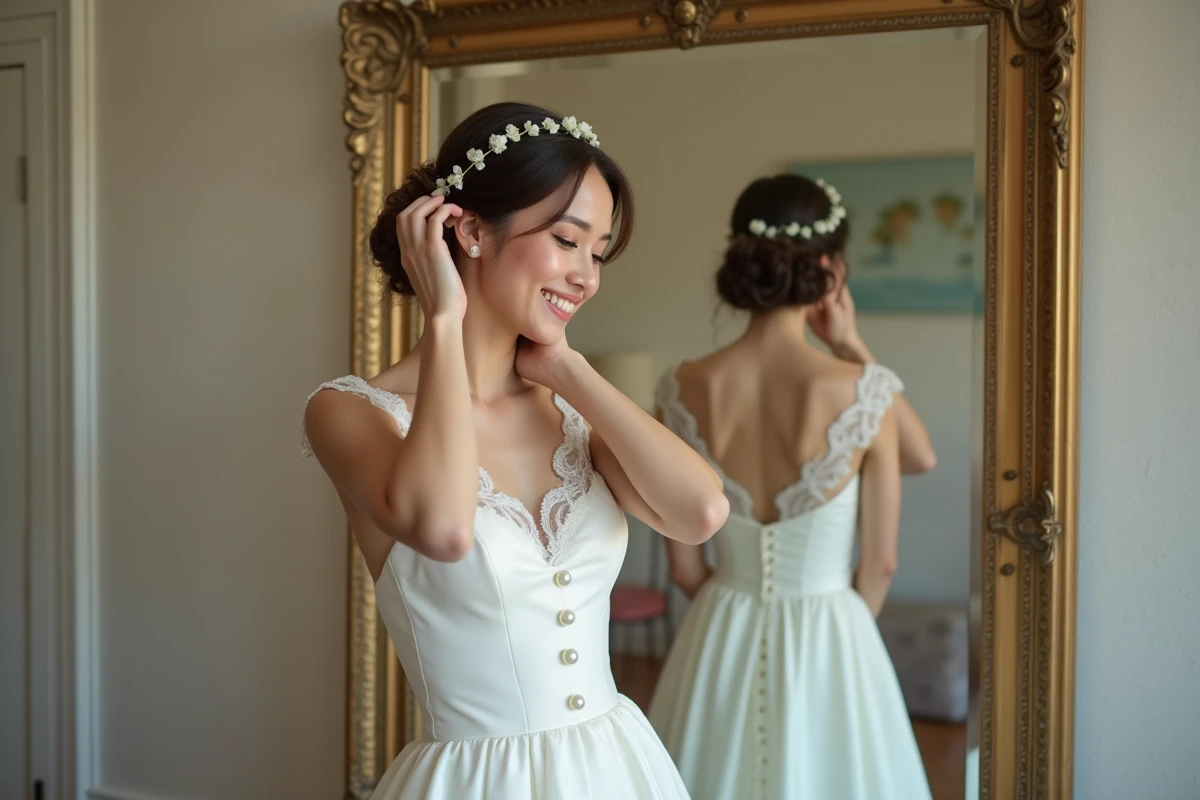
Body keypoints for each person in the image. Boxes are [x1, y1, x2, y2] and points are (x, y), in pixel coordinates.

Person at [302, 102, 728, 799]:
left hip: (616, 769)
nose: (586, 275)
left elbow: (700, 513)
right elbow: (442, 529)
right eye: (567, 240)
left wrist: (569, 371)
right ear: (467, 230)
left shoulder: (572, 414)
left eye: (598, 251)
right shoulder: (348, 412)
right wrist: (444, 318)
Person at [647, 173, 935, 800]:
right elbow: (882, 558)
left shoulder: (679, 386)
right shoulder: (866, 391)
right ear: (830, 270)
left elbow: (684, 569)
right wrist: (852, 345)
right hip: (833, 627)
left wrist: (729, 608)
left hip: (719, 621)